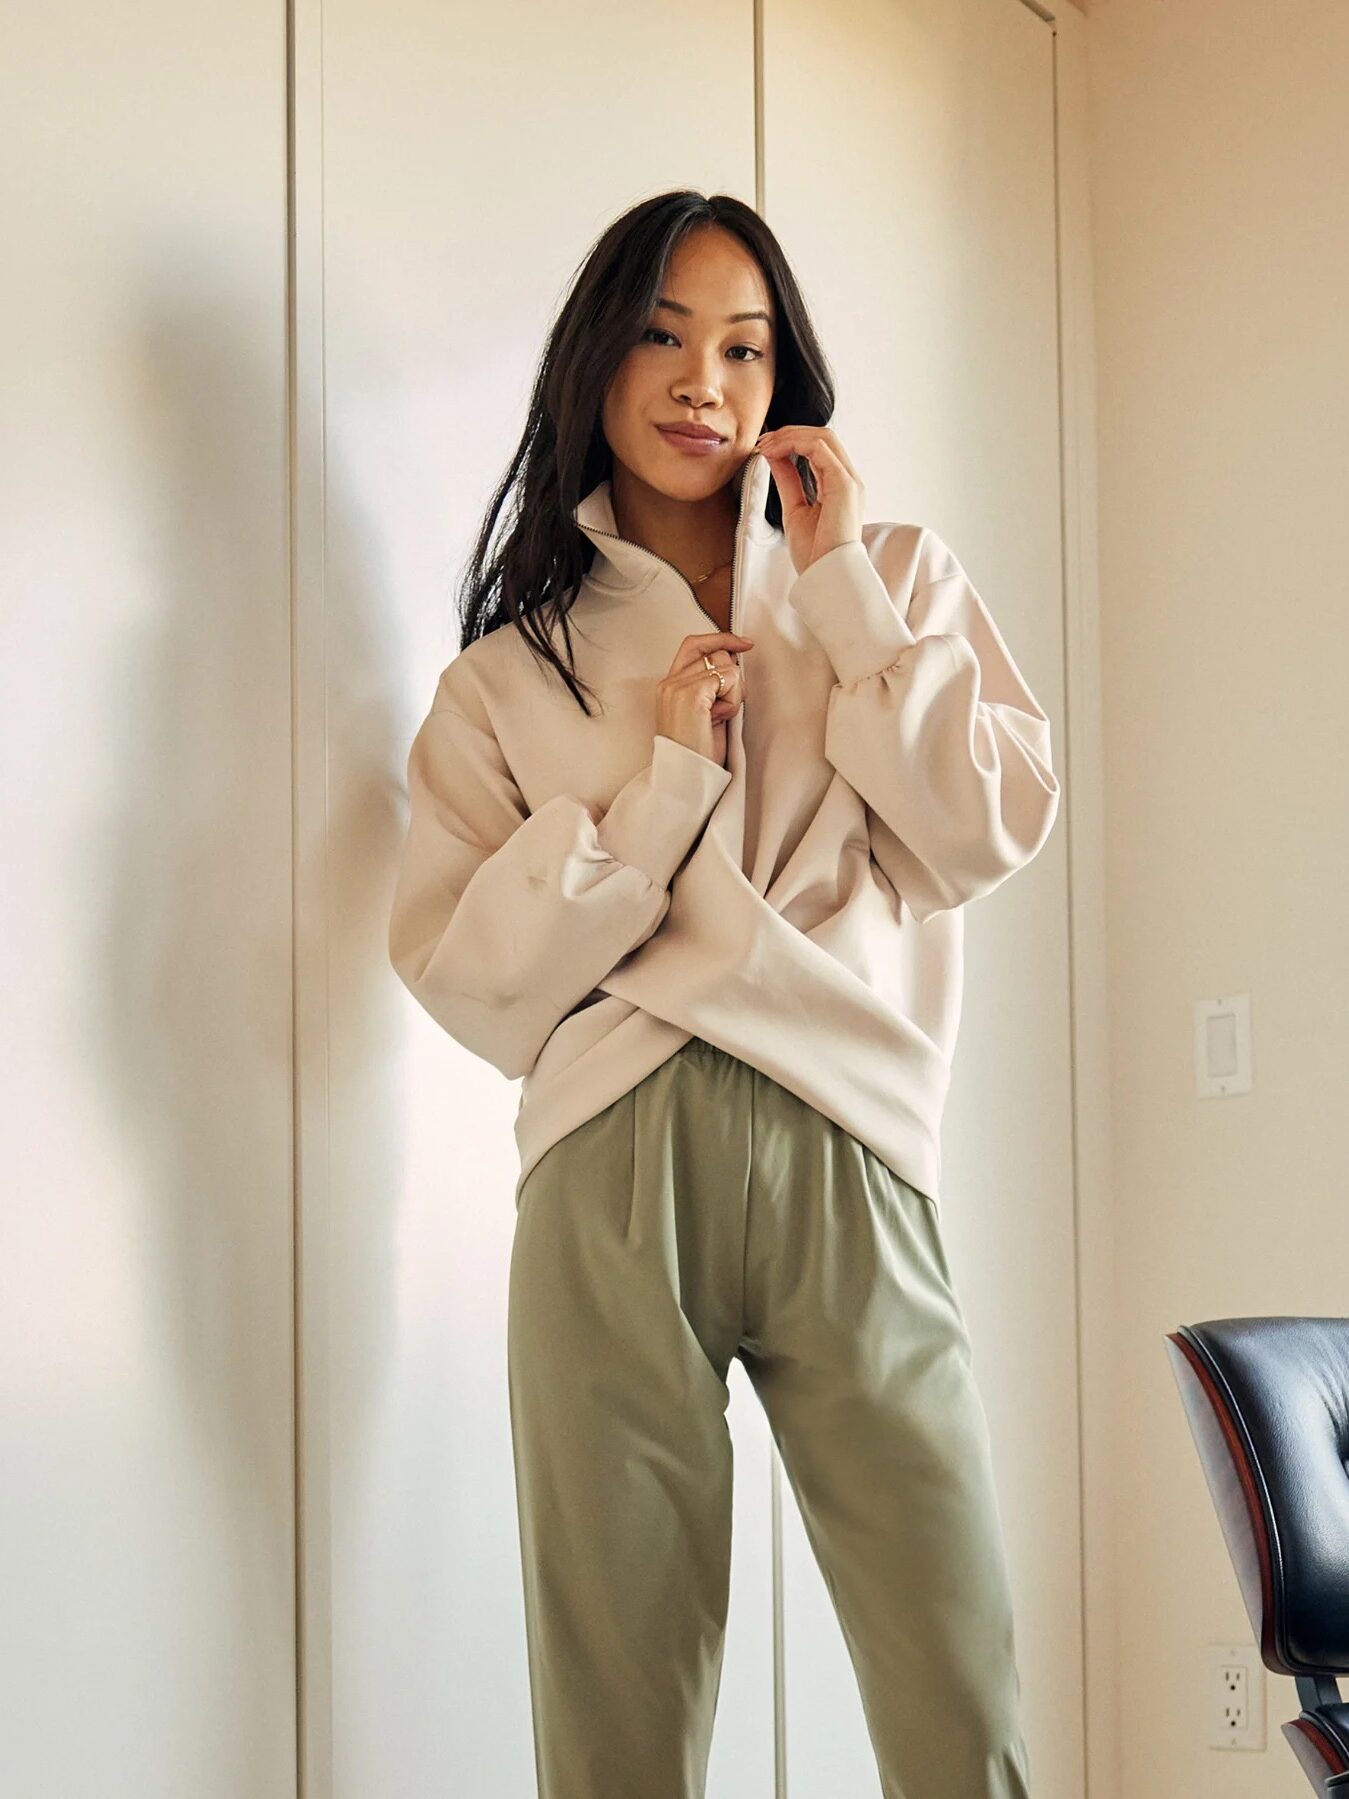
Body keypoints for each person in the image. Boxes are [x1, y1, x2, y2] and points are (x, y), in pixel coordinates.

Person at [388, 188, 1058, 1799]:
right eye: (665, 335)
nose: (705, 382)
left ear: (785, 380)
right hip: (614, 1165)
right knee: (616, 1723)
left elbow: (977, 831)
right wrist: (662, 796)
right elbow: (474, 982)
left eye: (745, 348)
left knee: (956, 1696)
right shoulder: (507, 672)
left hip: (849, 1144)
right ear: (597, 362)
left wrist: (836, 593)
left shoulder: (889, 577)